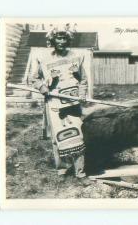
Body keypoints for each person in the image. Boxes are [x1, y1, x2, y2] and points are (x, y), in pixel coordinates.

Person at [30, 27, 88, 179]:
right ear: (53, 40)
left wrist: (82, 94)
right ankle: (62, 168)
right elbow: (33, 78)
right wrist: (43, 88)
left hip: (73, 102)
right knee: (58, 136)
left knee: (78, 135)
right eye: (58, 38)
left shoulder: (77, 57)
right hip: (54, 102)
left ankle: (80, 171)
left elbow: (83, 79)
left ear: (68, 40)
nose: (61, 41)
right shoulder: (44, 59)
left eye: (64, 38)